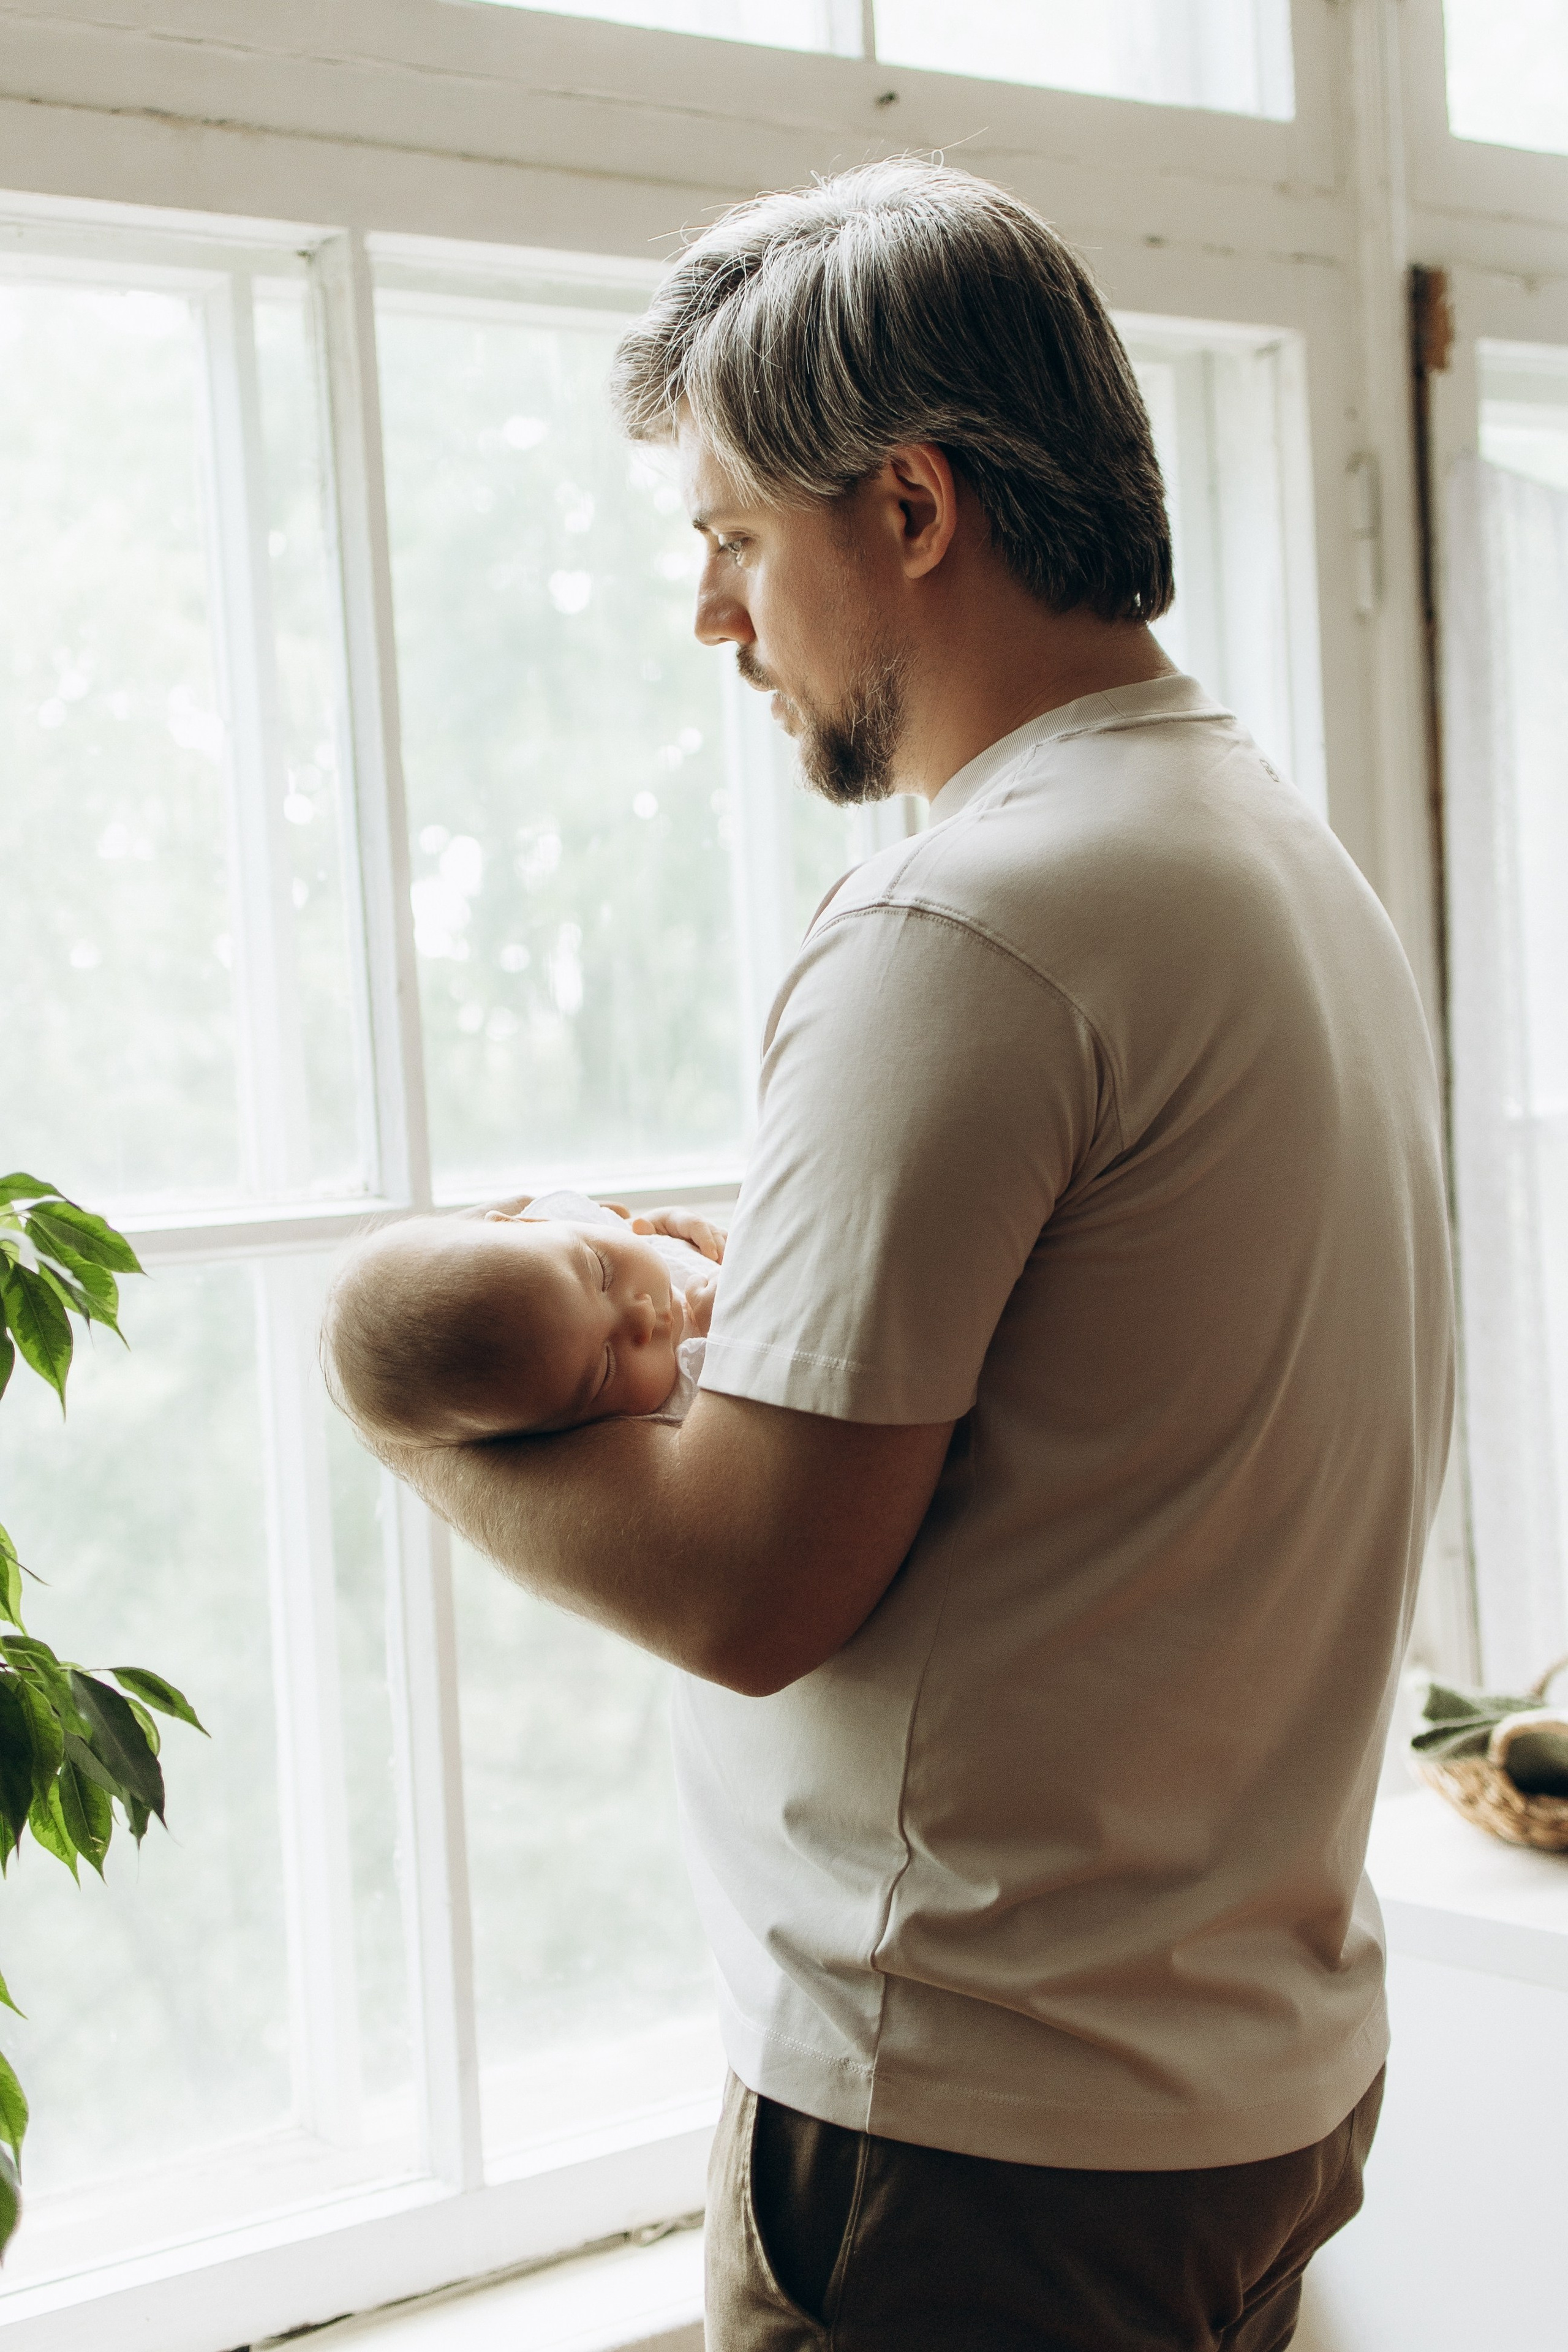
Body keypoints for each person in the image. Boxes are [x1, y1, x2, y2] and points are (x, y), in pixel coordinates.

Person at [356, 160, 1455, 2351]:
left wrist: (394, 1396)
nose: (712, 622)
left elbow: (749, 1588)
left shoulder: (969, 924)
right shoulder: (1268, 859)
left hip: (973, 2158)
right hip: (1232, 2092)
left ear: (911, 512)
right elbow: (1098, 1403)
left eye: (730, 538)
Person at [321, 1191, 723, 1444]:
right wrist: (723, 1332)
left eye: (601, 1271)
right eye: (605, 1367)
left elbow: (634, 1230)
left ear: (531, 1223)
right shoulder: (682, 1414)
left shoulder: (575, 1236)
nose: (640, 1315)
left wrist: (663, 1225)